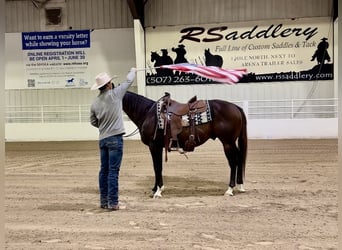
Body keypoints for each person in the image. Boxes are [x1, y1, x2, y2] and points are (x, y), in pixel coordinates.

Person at [90, 68, 136, 211]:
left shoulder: (95, 103)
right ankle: (113, 203)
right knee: (113, 172)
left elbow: (93, 122)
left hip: (103, 139)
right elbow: (128, 81)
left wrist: (103, 126)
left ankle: (104, 201)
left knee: (104, 171)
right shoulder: (115, 95)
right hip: (115, 139)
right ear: (109, 84)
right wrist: (133, 71)